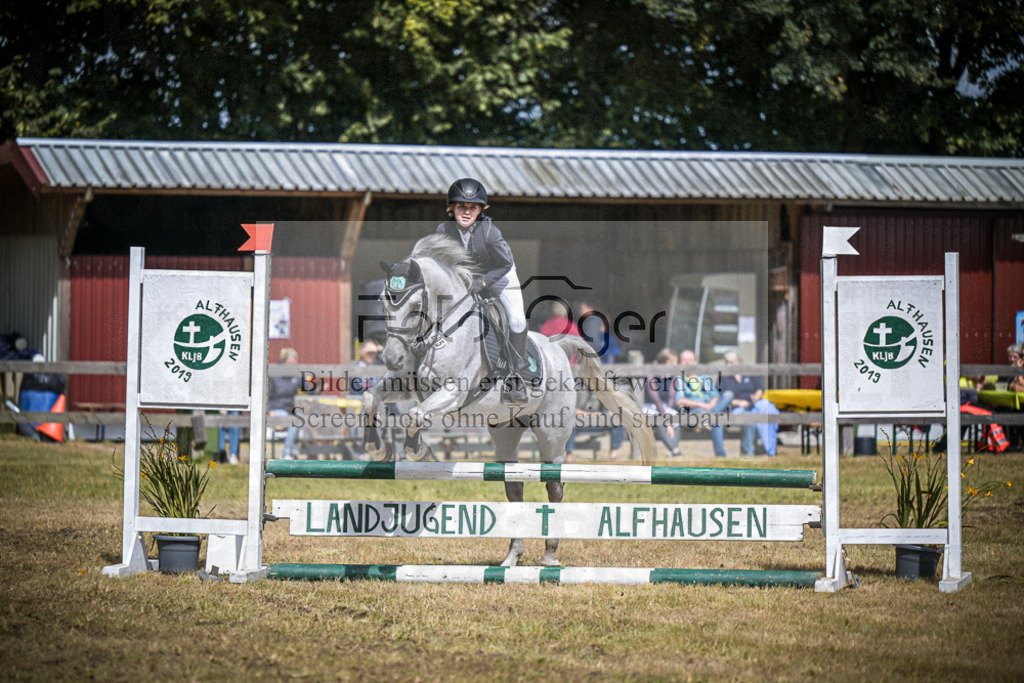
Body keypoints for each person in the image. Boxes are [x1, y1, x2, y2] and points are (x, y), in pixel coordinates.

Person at [435, 178, 529, 405]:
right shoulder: (444, 231)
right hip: (467, 279)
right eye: (461, 207)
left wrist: (484, 282)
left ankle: (515, 377)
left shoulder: (490, 232)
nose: (467, 212)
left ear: (480, 210)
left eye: (473, 207)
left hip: (500, 276)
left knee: (516, 319)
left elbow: (505, 264)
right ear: (452, 208)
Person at [674, 349, 733, 457]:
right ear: (680, 362)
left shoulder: (704, 377)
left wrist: (710, 405)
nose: (687, 363)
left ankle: (711, 417)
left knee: (728, 394)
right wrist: (701, 405)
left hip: (711, 408)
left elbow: (715, 395)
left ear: (695, 362)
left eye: (690, 360)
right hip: (695, 410)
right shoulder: (680, 379)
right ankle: (720, 454)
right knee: (717, 418)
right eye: (684, 360)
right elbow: (679, 400)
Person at [720, 350, 780, 456]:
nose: (728, 365)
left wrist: (755, 398)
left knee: (769, 411)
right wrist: (737, 402)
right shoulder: (724, 378)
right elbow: (720, 396)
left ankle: (769, 450)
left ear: (738, 362)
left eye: (731, 362)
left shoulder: (749, 373)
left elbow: (760, 389)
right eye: (727, 362)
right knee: (748, 418)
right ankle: (748, 452)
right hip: (737, 407)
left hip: (754, 403)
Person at [644, 348, 681, 457]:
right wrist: (667, 421)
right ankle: (675, 450)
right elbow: (655, 399)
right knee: (660, 420)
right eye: (674, 362)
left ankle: (673, 449)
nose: (676, 365)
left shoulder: (672, 375)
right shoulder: (651, 374)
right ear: (667, 362)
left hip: (664, 406)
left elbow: (671, 397)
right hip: (650, 406)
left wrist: (668, 413)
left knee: (675, 418)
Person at [269, 347, 302, 459]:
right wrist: (268, 411)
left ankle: (292, 452)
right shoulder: (274, 375)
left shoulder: (296, 375)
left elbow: (308, 388)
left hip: (290, 410)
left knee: (300, 418)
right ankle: (287, 453)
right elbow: (266, 395)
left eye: (294, 362)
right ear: (284, 362)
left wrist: (318, 387)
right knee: (292, 420)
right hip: (275, 409)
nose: (292, 365)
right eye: (290, 362)